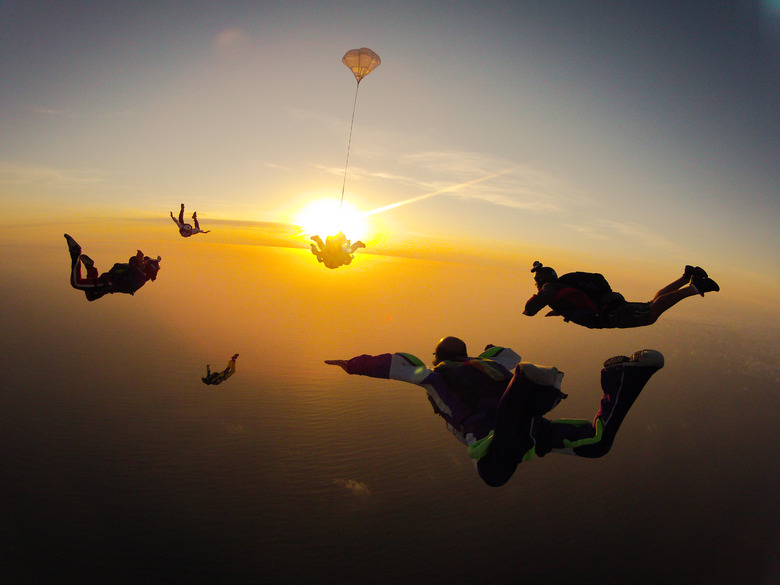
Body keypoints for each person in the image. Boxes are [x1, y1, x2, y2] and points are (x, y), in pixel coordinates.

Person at [326, 336, 664, 487]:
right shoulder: (489, 361)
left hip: (495, 432)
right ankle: (627, 378)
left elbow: (397, 364)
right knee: (596, 443)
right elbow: (508, 353)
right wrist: (490, 351)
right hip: (532, 428)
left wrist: (352, 365)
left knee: (493, 474)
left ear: (437, 357)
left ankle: (525, 388)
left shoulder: (434, 374)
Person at [523, 260, 720, 329]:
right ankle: (685, 277)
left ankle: (695, 287)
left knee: (651, 314)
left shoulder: (550, 287)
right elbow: (578, 302)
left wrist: (530, 309)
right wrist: (560, 312)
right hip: (611, 307)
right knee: (651, 304)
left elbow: (542, 298)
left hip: (609, 314)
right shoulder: (561, 288)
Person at [64, 234, 161, 301]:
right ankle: (82, 259)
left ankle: (79, 256)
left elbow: (132, 269)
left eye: (145, 264)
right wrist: (138, 260)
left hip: (106, 284)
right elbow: (132, 264)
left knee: (85, 291)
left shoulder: (139, 279)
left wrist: (138, 260)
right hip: (106, 283)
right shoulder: (140, 272)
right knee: (82, 287)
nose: (143, 263)